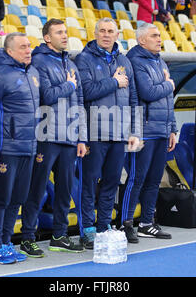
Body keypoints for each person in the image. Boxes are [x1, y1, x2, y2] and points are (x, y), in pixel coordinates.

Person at [19, 19, 87, 257]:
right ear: (47, 37)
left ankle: (60, 236)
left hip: (69, 138)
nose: (65, 36)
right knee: (36, 189)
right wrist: (68, 84)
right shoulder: (38, 61)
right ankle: (27, 237)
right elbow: (46, 95)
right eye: (59, 32)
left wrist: (82, 137)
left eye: (66, 32)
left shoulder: (70, 62)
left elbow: (79, 102)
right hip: (46, 135)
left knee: (65, 189)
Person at [75, 17, 140, 249]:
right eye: (101, 30)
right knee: (89, 183)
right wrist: (113, 82)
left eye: (110, 31)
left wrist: (135, 130)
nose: (106, 34)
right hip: (95, 132)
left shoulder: (124, 60)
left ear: (117, 34)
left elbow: (133, 98)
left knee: (112, 181)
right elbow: (86, 91)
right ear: (94, 33)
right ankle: (88, 230)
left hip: (120, 133)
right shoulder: (84, 58)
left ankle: (103, 227)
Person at [0, 33, 40, 264]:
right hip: (6, 148)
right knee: (1, 199)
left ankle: (6, 242)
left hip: (29, 147)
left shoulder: (33, 73)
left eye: (29, 46)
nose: (29, 50)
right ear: (9, 51)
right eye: (23, 47)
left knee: (18, 198)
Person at [122, 23, 177, 243]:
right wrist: (168, 84)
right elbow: (148, 92)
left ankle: (146, 223)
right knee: (136, 178)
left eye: (159, 35)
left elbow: (166, 99)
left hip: (162, 130)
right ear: (142, 40)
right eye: (154, 35)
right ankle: (125, 223)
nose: (159, 38)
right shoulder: (135, 61)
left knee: (154, 179)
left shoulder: (160, 61)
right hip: (143, 131)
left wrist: (172, 128)